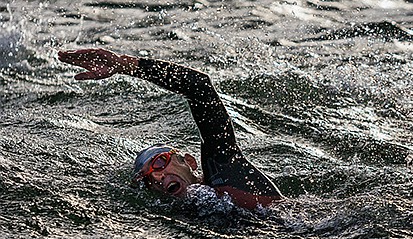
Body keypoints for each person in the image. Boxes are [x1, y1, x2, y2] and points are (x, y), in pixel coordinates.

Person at [58, 48, 283, 210]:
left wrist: (124, 65)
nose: (156, 176)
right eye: (147, 179)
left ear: (190, 162)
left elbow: (199, 86)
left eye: (160, 162)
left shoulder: (224, 170)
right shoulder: (182, 213)